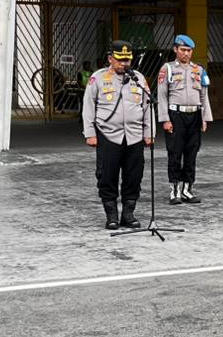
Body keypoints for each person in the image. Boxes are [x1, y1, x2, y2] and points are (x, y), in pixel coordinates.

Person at [82, 40, 153, 230]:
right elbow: (88, 107)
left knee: (134, 176)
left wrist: (149, 132)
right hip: (108, 135)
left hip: (135, 136)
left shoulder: (138, 78)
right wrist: (90, 133)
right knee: (107, 176)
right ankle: (111, 216)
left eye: (127, 60)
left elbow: (147, 107)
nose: (124, 64)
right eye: (120, 60)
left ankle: (128, 215)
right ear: (110, 58)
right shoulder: (98, 78)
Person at [156, 34, 212, 205]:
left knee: (191, 153)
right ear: (175, 49)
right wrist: (165, 119)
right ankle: (174, 190)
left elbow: (204, 95)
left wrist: (204, 118)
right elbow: (162, 95)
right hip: (176, 116)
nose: (186, 54)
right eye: (183, 50)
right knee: (175, 153)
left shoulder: (199, 70)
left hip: (194, 115)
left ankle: (188, 189)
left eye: (189, 50)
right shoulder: (168, 69)